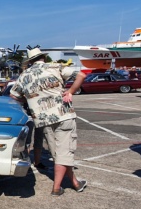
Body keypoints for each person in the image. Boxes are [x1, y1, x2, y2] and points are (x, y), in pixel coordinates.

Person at [11, 47, 87, 196]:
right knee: (64, 153)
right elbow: (82, 75)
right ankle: (56, 188)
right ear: (43, 58)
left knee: (58, 153)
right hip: (63, 114)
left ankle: (75, 183)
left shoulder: (24, 75)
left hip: (42, 119)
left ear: (30, 61)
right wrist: (70, 91)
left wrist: (27, 99)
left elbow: (14, 95)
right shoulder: (55, 67)